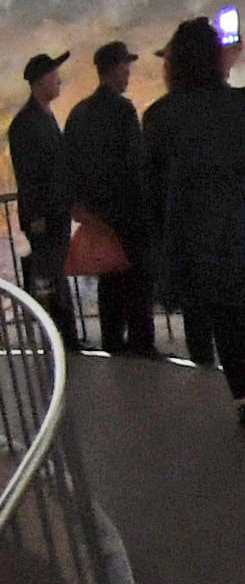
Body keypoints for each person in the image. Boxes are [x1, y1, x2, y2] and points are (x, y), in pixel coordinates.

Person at [144, 16, 245, 424]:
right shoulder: (239, 101)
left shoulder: (159, 116)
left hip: (195, 227)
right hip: (244, 217)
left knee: (221, 311)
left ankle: (242, 400)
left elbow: (152, 176)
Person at [61, 41, 156, 356]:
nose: (128, 73)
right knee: (137, 280)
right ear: (115, 69)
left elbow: (69, 164)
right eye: (125, 66)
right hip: (128, 213)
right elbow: (135, 164)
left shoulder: (79, 113)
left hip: (96, 215)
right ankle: (141, 343)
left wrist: (81, 205)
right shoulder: (123, 110)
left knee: (110, 280)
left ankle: (113, 342)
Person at [7, 53, 74, 346]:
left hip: (53, 213)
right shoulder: (27, 123)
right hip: (44, 216)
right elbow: (28, 174)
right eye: (53, 75)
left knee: (55, 274)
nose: (58, 80)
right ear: (39, 81)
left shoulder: (41, 118)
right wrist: (35, 217)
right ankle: (59, 336)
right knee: (50, 276)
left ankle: (63, 335)